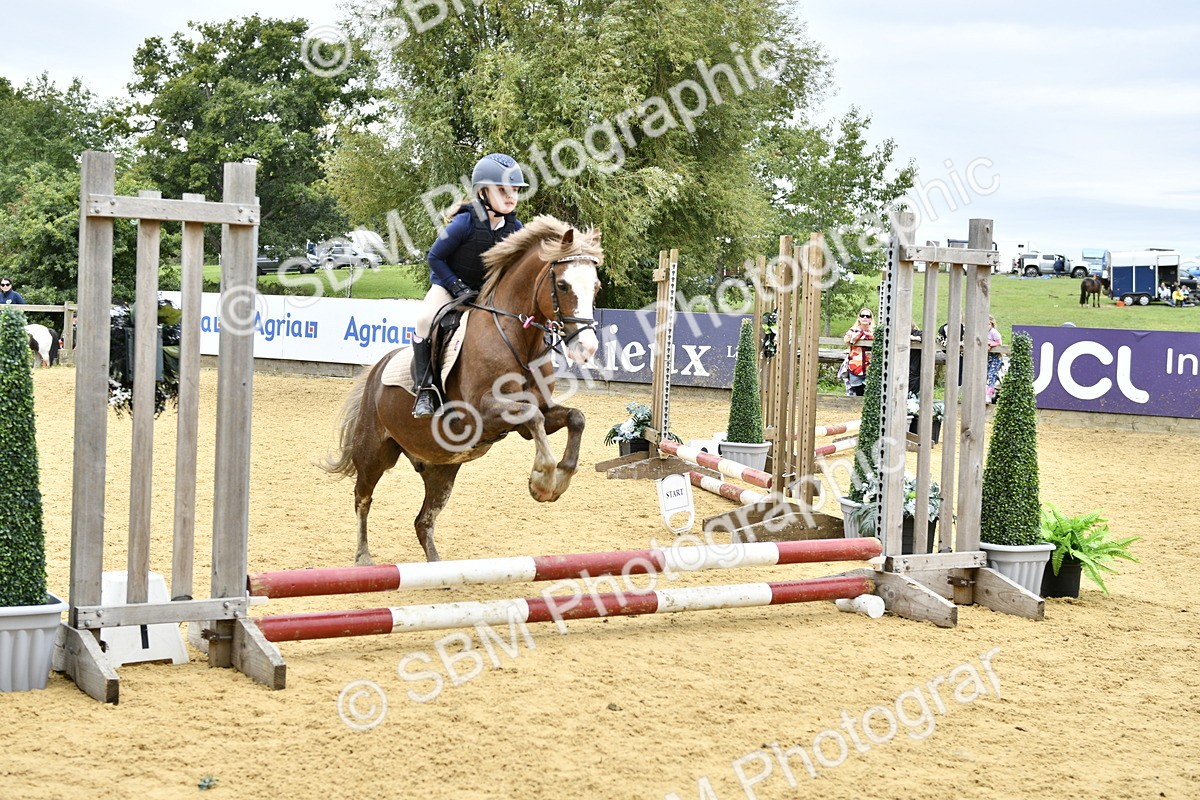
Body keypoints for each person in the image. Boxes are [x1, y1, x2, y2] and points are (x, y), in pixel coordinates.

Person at [412, 153, 527, 417]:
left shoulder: (516, 228)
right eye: (502, 190)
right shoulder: (464, 222)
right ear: (482, 192)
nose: (511, 196)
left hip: (485, 294)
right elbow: (435, 257)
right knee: (424, 319)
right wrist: (456, 286)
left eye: (515, 190)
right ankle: (425, 391)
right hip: (448, 286)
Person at [840, 308, 874, 396]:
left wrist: (860, 335)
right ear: (859, 318)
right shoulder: (853, 330)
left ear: (870, 319)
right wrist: (859, 334)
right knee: (858, 393)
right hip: (855, 367)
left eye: (868, 316)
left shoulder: (874, 331)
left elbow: (875, 338)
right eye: (863, 316)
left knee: (869, 393)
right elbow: (847, 339)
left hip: (870, 368)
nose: (865, 318)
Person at [986, 315, 1005, 403]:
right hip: (987, 357)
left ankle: (988, 395)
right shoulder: (982, 332)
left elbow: (999, 343)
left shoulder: (994, 332)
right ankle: (987, 393)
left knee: (991, 375)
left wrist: (990, 344)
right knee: (985, 375)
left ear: (991, 324)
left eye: (988, 324)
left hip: (995, 357)